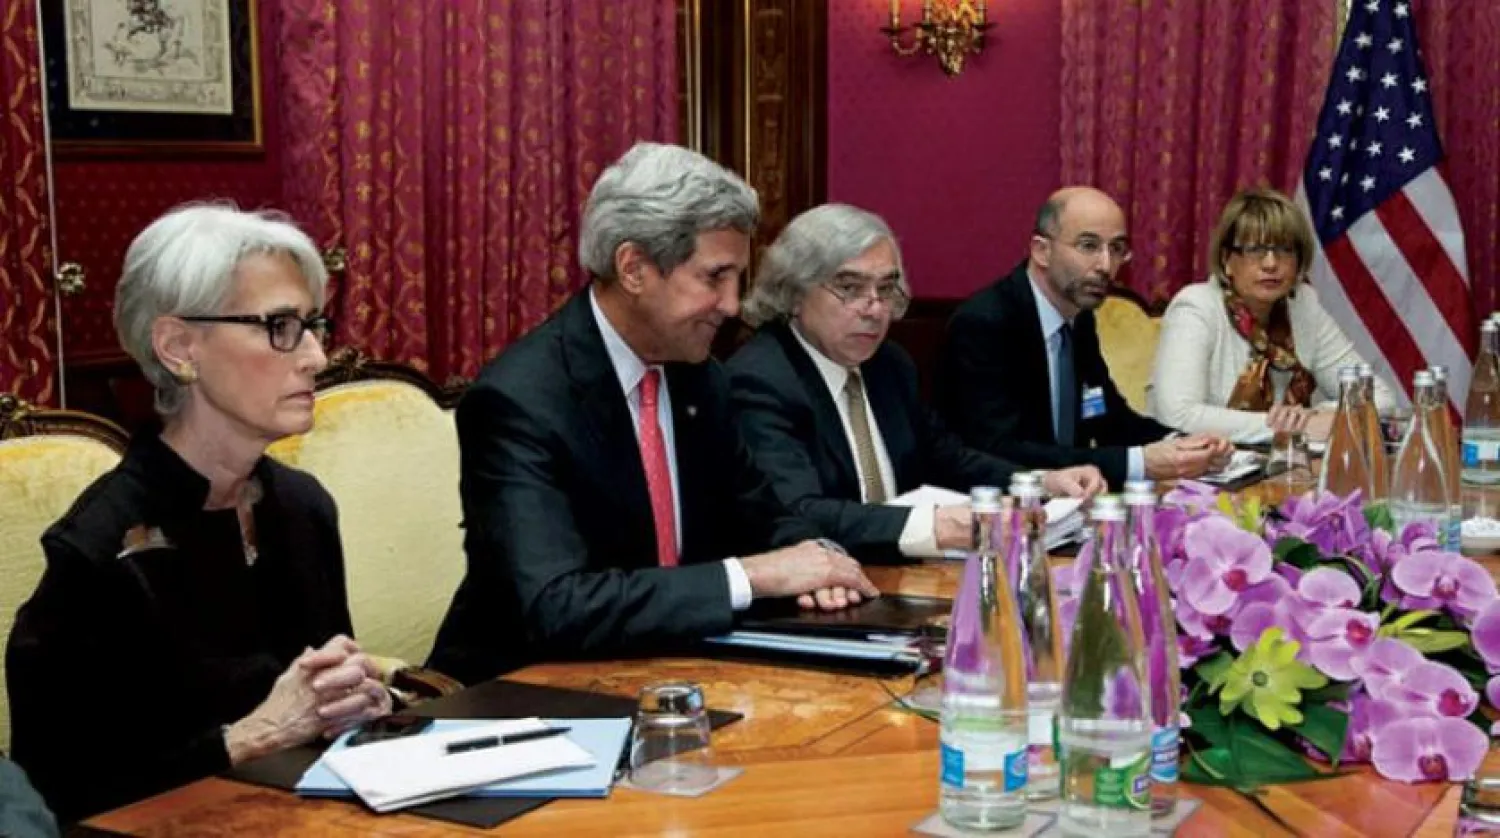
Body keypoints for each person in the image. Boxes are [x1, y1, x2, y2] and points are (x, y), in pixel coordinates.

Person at [427, 143, 878, 686]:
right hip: (527, 691)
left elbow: (764, 512)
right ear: (635, 268)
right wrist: (752, 576)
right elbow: (557, 605)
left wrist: (819, 558)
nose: (733, 305)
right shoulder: (519, 401)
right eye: (715, 277)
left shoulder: (699, 377)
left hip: (673, 671)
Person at [6, 206, 390, 822]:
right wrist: (249, 738)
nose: (317, 356)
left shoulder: (301, 506)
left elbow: (312, 711)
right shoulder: (100, 551)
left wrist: (348, 700)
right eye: (281, 326)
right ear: (180, 347)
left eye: (313, 324)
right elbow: (60, 797)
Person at [728, 204, 1105, 563]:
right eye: (850, 287)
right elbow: (798, 510)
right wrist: (936, 526)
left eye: (886, 288)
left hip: (900, 575)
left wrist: (1039, 484)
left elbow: (946, 457)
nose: (874, 308)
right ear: (794, 292)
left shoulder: (889, 365)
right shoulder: (763, 379)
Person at [938, 186, 1234, 489]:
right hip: (999, 510)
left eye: (1117, 249)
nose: (1106, 265)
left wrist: (1184, 444)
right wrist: (1140, 462)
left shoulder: (1078, 318)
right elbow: (999, 450)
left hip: (1072, 505)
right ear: (1042, 250)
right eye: (1089, 246)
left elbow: (1108, 418)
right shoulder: (985, 324)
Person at [1147, 187, 1398, 443]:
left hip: (1278, 468)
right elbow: (1177, 415)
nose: (1270, 264)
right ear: (1227, 260)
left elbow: (1379, 397)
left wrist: (1319, 416)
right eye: (1255, 250)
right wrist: (1289, 428)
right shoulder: (1196, 306)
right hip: (1194, 470)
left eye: (1285, 250)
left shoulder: (1303, 306)